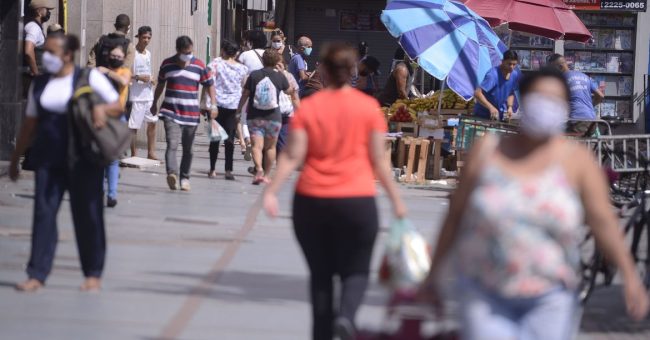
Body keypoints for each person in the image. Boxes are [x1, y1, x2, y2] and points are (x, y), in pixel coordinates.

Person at [419, 68, 649, 340]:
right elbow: (456, 214)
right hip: (484, 292)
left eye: (554, 101)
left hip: (551, 297)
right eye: (539, 98)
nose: (545, 107)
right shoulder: (488, 151)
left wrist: (630, 277)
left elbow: (603, 221)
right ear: (523, 100)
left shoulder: (576, 161)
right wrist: (432, 276)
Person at [262, 42, 407, 340]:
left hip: (311, 202)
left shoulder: (311, 106)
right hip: (357, 202)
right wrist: (397, 202)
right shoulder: (368, 108)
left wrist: (271, 191)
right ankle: (347, 317)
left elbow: (292, 156)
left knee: (321, 276)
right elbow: (380, 161)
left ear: (324, 70)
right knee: (356, 271)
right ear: (352, 71)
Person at [9, 33, 122, 292]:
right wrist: (16, 158)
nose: (45, 56)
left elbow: (117, 106)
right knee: (43, 214)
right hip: (48, 157)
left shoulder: (89, 78)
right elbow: (30, 123)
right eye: (44, 51)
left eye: (51, 52)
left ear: (67, 55)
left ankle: (93, 272)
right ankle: (36, 273)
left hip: (83, 158)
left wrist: (101, 109)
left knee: (88, 215)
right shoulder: (40, 84)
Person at [151, 36, 217, 191]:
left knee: (189, 149)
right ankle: (172, 174)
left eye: (190, 52)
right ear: (178, 51)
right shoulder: (167, 64)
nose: (188, 55)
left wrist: (213, 105)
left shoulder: (199, 65)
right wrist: (154, 102)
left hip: (191, 114)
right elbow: (160, 85)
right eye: (185, 53)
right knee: (172, 144)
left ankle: (185, 178)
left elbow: (210, 85)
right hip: (170, 112)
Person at [236, 49, 293, 185]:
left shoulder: (254, 75)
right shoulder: (279, 76)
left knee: (256, 146)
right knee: (270, 148)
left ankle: (259, 169)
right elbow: (289, 90)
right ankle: (267, 175)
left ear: (263, 60)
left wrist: (238, 110)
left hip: (255, 116)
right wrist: (284, 75)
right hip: (274, 117)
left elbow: (245, 94)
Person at [204, 40, 248, 180]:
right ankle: (228, 170)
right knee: (229, 140)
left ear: (223, 51)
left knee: (215, 139)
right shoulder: (242, 69)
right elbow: (243, 87)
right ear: (236, 53)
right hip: (233, 107)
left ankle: (212, 169)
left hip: (216, 106)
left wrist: (205, 103)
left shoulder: (215, 65)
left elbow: (208, 84)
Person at [97, 44, 131, 208]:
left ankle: (111, 194)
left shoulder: (124, 71)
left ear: (124, 59)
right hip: (100, 117)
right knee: (101, 157)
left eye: (119, 57)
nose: (116, 59)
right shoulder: (98, 72)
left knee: (112, 159)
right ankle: (101, 191)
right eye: (113, 56)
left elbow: (123, 81)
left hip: (118, 118)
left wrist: (107, 72)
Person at [549, 53, 605, 137]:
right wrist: (589, 106)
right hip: (592, 120)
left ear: (560, 67)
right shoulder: (584, 76)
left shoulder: (561, 80)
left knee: (559, 140)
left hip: (578, 120)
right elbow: (600, 95)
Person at [128, 26, 159, 160]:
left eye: (148, 38)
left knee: (152, 122)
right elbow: (125, 72)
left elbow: (148, 70)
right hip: (136, 95)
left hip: (148, 93)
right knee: (133, 126)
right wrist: (138, 77)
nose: (146, 40)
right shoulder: (132, 53)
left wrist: (151, 79)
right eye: (144, 37)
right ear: (138, 37)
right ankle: (134, 154)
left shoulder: (149, 53)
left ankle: (151, 152)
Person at [237, 30, 268, 161]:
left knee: (244, 118)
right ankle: (259, 143)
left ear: (251, 42)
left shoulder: (245, 55)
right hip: (267, 90)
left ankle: (248, 140)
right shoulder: (269, 54)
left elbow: (239, 73)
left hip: (248, 89)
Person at [473, 50, 522, 121]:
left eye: (514, 65)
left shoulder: (514, 75)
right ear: (502, 61)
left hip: (498, 116)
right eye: (509, 64)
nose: (511, 67)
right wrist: (490, 107)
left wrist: (510, 107)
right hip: (482, 115)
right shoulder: (493, 75)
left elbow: (511, 92)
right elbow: (477, 93)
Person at [22, 0, 56, 96]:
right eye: (47, 9)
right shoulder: (34, 27)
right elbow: (28, 51)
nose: (49, 12)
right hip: (30, 78)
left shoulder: (32, 25)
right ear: (38, 11)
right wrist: (36, 73)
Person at [276, 60, 301, 154]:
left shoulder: (266, 74)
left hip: (272, 111)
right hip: (286, 110)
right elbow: (294, 96)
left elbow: (294, 96)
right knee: (282, 139)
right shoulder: (289, 76)